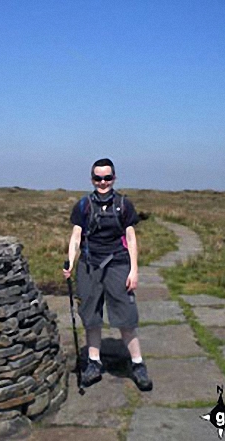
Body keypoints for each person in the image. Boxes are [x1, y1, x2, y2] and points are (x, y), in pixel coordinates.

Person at [63, 158, 153, 391]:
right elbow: (76, 236)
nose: (102, 182)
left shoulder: (124, 204)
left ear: (114, 178)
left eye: (107, 178)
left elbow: (131, 238)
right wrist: (71, 263)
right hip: (89, 266)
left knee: (126, 316)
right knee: (91, 316)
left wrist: (134, 269)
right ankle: (93, 362)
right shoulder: (83, 205)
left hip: (118, 264)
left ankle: (137, 364)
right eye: (98, 178)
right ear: (91, 179)